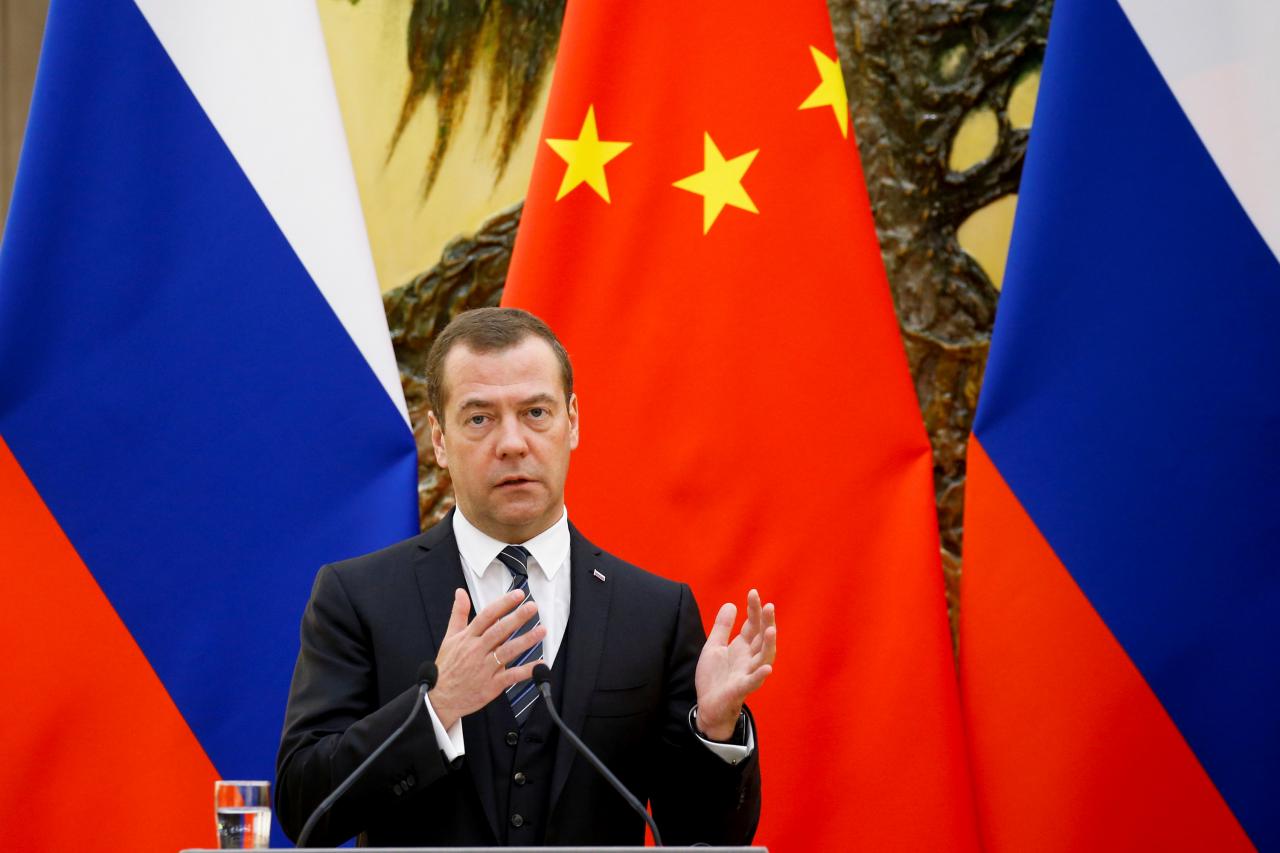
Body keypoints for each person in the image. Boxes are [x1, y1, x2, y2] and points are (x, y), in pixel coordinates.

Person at [275, 307, 777, 846]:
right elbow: (305, 806)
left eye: (535, 412)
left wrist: (716, 729)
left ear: (573, 421)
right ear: (439, 439)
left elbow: (702, 834)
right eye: (479, 418)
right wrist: (435, 708)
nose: (512, 442)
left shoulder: (654, 611)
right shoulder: (357, 598)